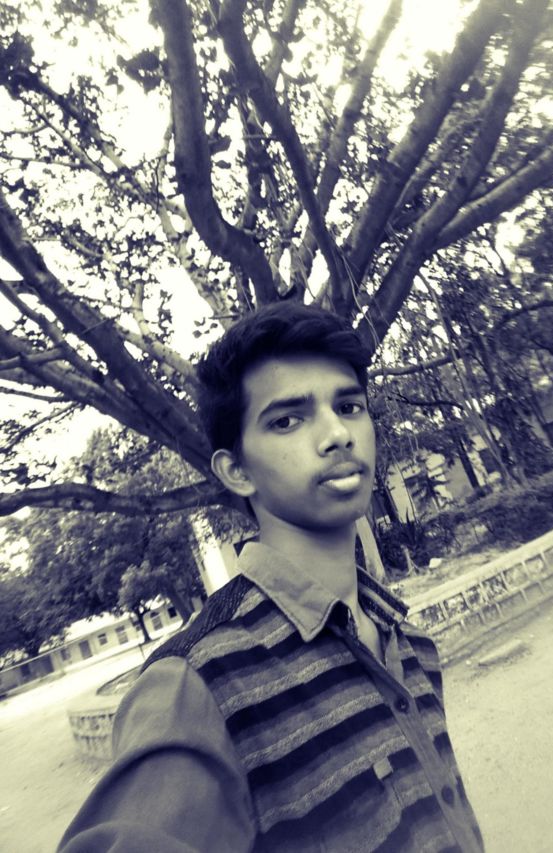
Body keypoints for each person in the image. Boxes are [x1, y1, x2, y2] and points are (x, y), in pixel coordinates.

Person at [58, 303, 484, 852]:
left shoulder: (409, 643)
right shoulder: (195, 688)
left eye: (349, 406)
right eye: (287, 420)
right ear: (236, 471)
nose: (337, 434)